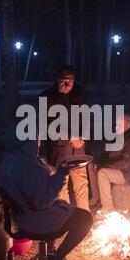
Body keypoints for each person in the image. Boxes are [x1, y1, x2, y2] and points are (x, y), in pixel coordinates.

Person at [0, 123, 93, 260]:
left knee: (64, 207)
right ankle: (57, 258)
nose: (39, 142)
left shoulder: (8, 160)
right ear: (27, 140)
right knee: (85, 218)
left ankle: (47, 252)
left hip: (21, 218)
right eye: (36, 138)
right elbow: (43, 202)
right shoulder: (28, 166)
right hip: (36, 221)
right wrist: (62, 174)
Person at [39, 65, 90, 211]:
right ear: (57, 79)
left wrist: (82, 136)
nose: (67, 84)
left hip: (78, 148)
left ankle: (85, 216)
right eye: (64, 80)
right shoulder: (46, 97)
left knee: (81, 183)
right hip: (59, 149)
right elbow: (47, 125)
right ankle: (65, 218)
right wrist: (70, 137)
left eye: (71, 81)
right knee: (61, 185)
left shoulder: (78, 95)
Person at [95, 114, 130, 213]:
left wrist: (106, 166)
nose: (116, 127)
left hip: (128, 173)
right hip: (117, 170)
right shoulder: (117, 138)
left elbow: (126, 162)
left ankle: (108, 208)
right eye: (116, 124)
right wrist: (97, 162)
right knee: (92, 167)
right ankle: (96, 199)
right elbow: (106, 155)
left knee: (102, 173)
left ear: (128, 126)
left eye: (119, 124)